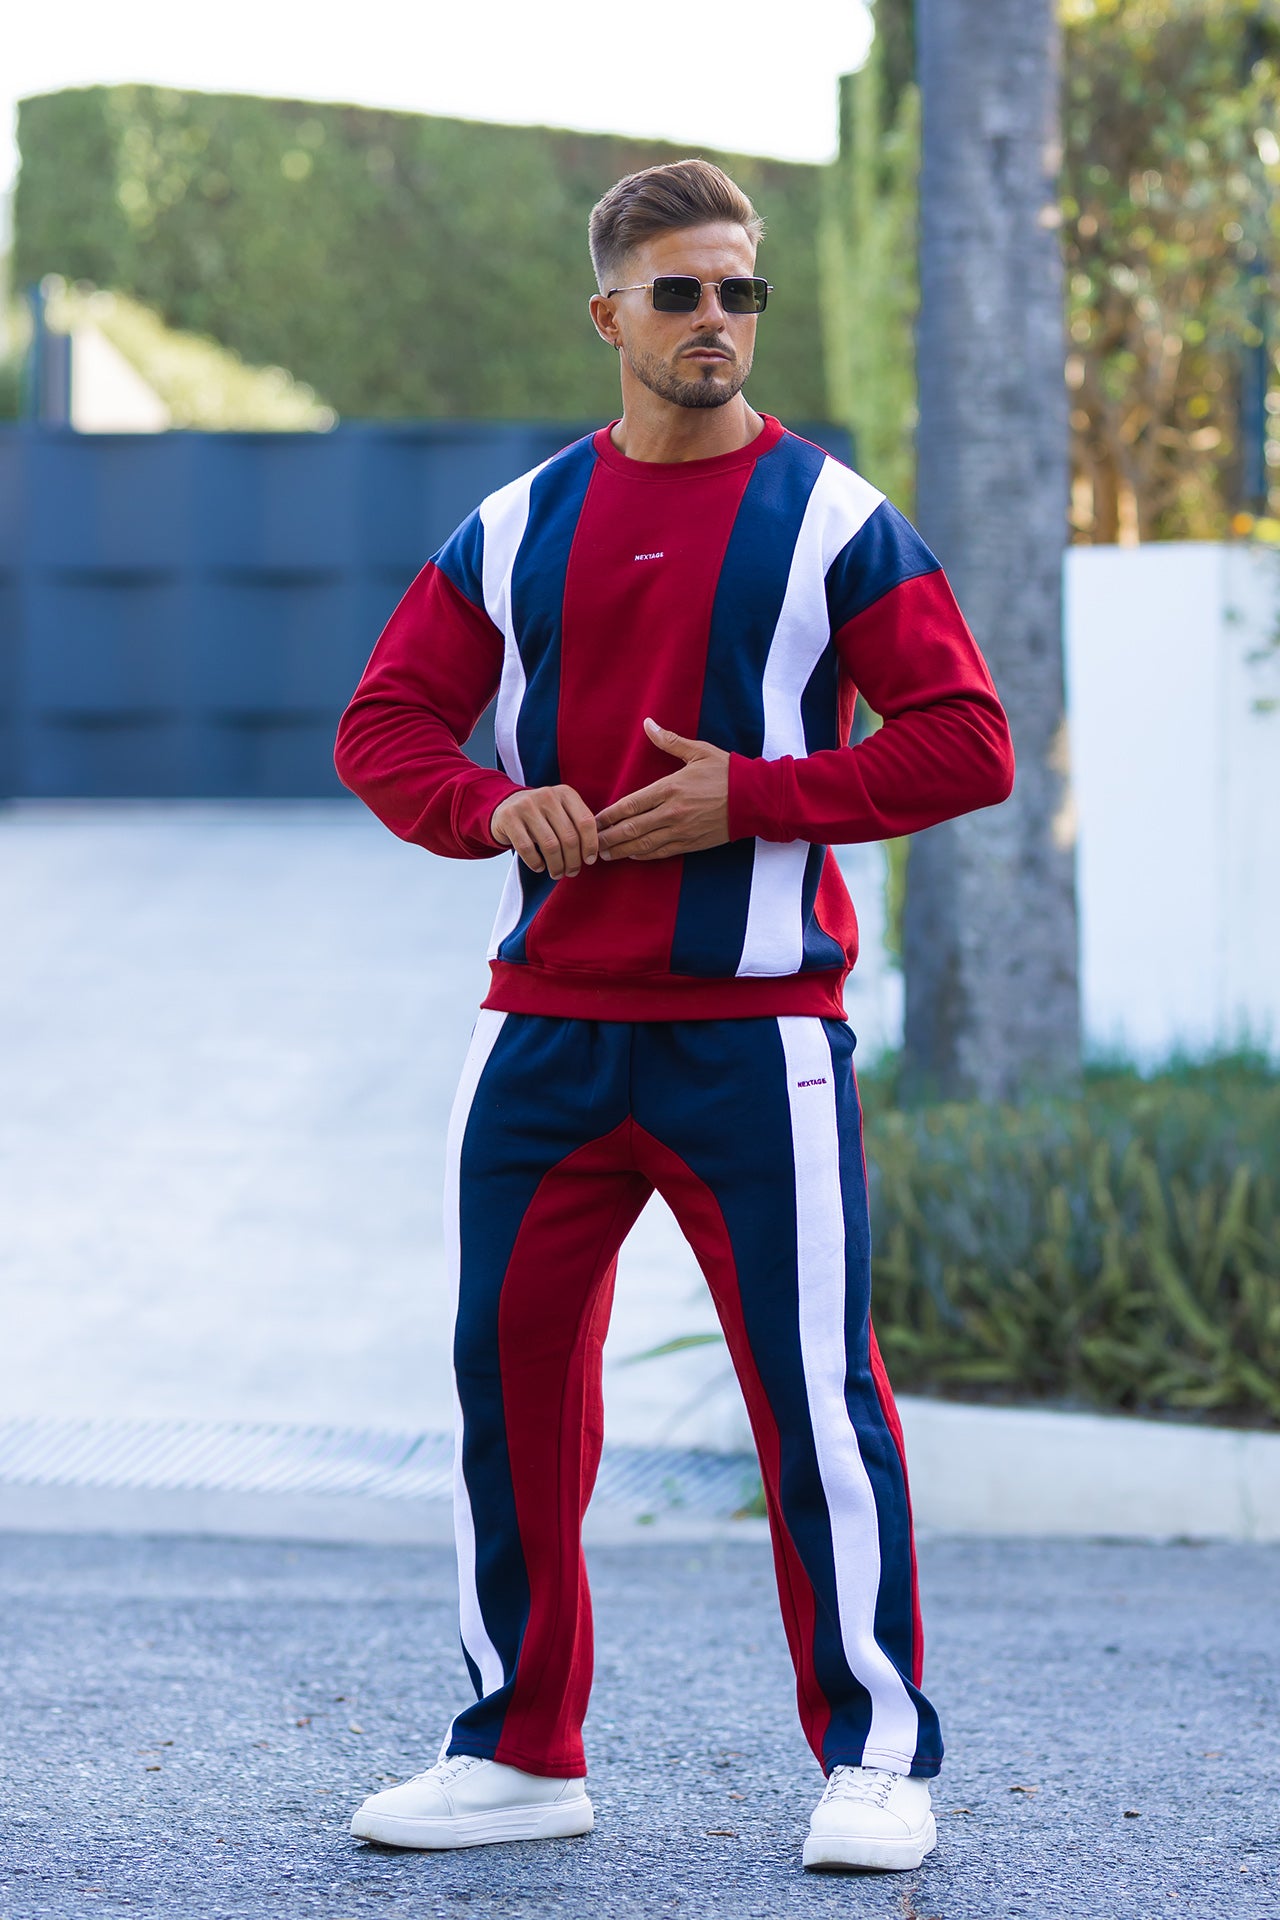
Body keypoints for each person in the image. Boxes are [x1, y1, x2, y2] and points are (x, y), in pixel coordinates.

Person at [335, 158, 1013, 1875]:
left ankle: (876, 1757)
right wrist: (496, 809)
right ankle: (515, 1751)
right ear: (610, 316)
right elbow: (387, 722)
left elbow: (968, 742)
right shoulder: (516, 524)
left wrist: (757, 802)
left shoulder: (838, 523)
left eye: (739, 292)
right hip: (543, 1033)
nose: (716, 322)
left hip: (756, 1037)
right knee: (512, 1390)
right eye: (681, 293)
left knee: (811, 1395)